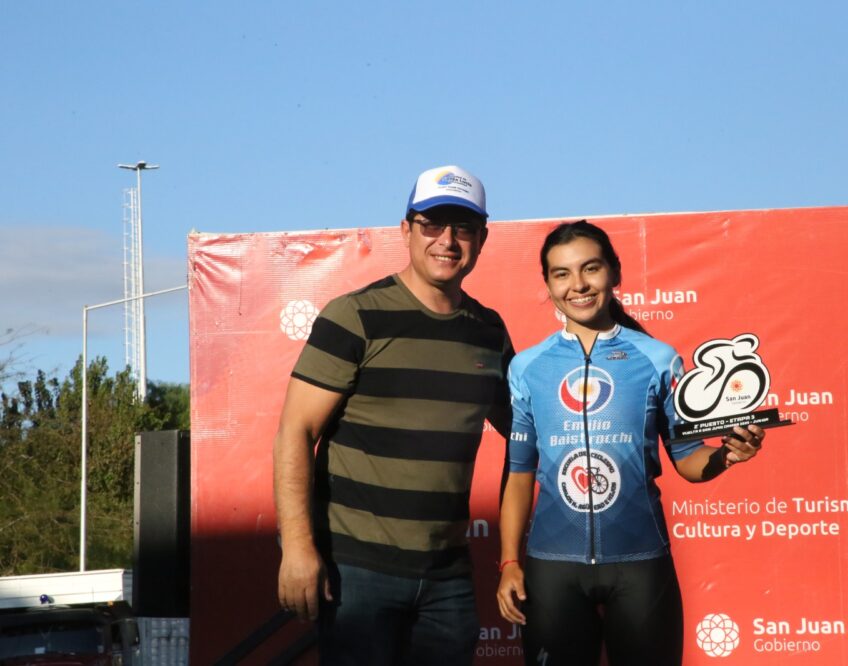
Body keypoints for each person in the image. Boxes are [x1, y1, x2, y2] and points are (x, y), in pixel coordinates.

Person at [495, 220, 765, 666]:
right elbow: (520, 474)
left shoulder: (657, 358)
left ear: (615, 272)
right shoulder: (528, 367)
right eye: (562, 273)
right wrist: (509, 562)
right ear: (548, 283)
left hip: (640, 565)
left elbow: (688, 459)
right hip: (553, 569)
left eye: (591, 268)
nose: (578, 285)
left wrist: (726, 455)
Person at [274, 165, 513, 665]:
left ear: (482, 239)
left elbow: (526, 436)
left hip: (448, 578)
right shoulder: (355, 316)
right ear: (406, 230)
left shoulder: (489, 332)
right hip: (357, 572)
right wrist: (297, 548)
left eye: (463, 227)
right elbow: (296, 431)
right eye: (432, 224)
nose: (447, 240)